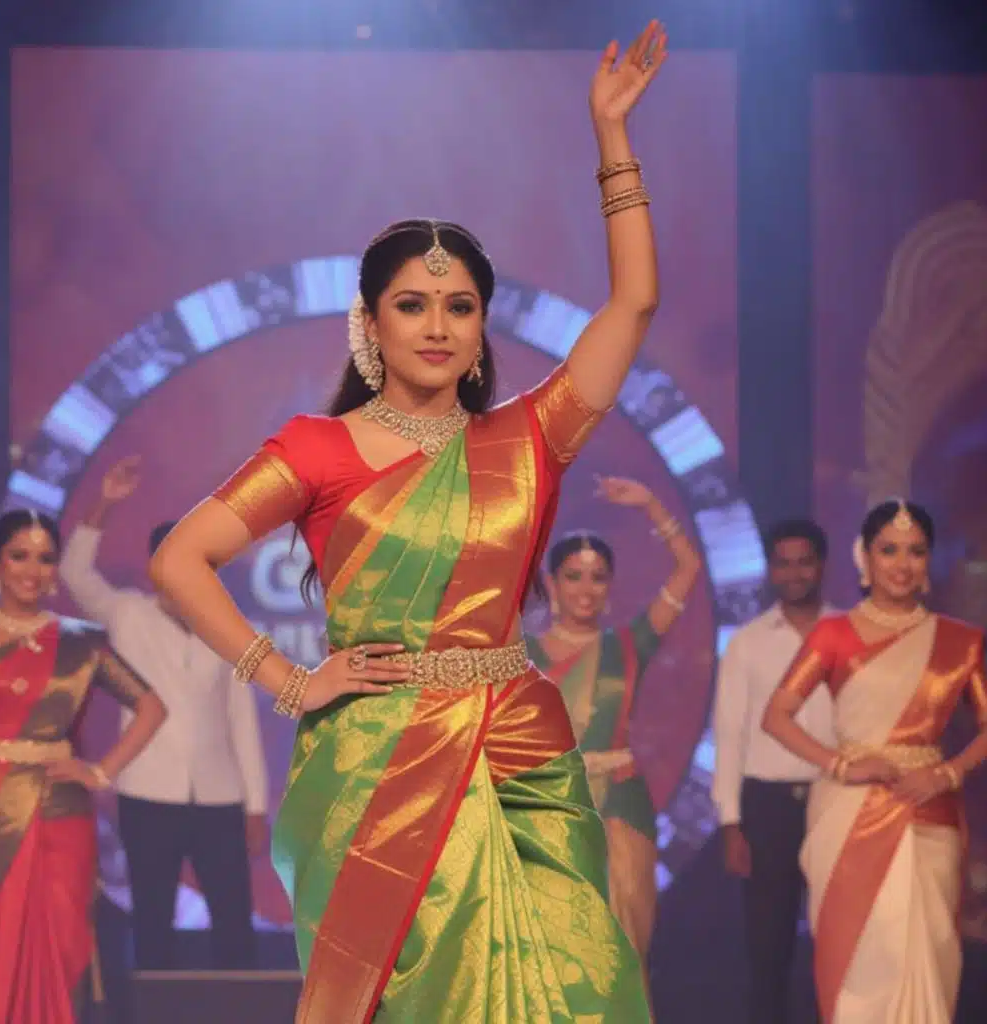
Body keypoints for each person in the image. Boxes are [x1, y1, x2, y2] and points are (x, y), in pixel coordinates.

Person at [149, 21, 666, 1022]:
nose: (436, 325)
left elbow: (633, 304)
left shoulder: (531, 436)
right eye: (412, 304)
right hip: (379, 760)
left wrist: (612, 138)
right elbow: (180, 560)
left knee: (581, 985)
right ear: (371, 321)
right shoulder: (317, 448)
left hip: (520, 748)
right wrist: (289, 680)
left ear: (480, 329)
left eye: (459, 306)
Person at [761, 500, 987, 1023]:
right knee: (859, 963)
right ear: (864, 557)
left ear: (929, 560)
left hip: (929, 812)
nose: (902, 564)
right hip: (848, 813)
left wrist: (947, 773)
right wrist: (843, 766)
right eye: (888, 550)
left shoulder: (961, 641)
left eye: (915, 551)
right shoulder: (833, 635)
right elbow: (776, 716)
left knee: (926, 952)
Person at [59, 457, 269, 971]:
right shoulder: (128, 613)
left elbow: (241, 721)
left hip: (220, 795)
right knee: (153, 919)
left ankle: (237, 1006)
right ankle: (154, 1004)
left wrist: (255, 806)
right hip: (148, 793)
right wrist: (104, 503)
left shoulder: (226, 626)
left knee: (234, 923)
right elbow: (73, 575)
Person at [0, 510, 165, 1024]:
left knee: (62, 937)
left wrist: (99, 772)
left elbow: (151, 708)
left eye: (45, 559)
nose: (32, 570)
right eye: (19, 556)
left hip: (60, 812)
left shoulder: (82, 642)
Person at [525, 477, 701, 1004]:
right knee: (547, 949)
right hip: (546, 807)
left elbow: (688, 568)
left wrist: (651, 504)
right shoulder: (521, 652)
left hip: (622, 805)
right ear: (551, 583)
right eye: (573, 576)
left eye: (599, 578)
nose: (586, 588)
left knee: (622, 943)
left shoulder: (630, 644)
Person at [711, 518, 834, 1024]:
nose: (794, 573)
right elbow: (729, 735)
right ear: (769, 569)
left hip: (838, 800)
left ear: (822, 565)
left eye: (804, 562)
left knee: (841, 941)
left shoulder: (851, 633)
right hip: (768, 808)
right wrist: (731, 823)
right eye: (783, 563)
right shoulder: (748, 642)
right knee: (768, 947)